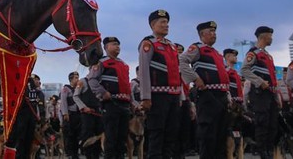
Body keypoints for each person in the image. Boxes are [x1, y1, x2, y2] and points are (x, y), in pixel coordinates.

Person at [180, 21, 231, 159]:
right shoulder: (197, 48)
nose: (214, 34)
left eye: (215, 32)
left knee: (221, 136)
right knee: (208, 135)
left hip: (221, 96)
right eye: (211, 32)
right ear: (202, 34)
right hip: (208, 96)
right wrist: (195, 78)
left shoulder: (217, 53)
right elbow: (181, 61)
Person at [138, 9, 183, 159]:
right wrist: (145, 97)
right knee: (157, 133)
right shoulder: (148, 44)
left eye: (167, 22)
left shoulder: (172, 46)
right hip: (157, 96)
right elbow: (144, 71)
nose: (166, 25)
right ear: (153, 25)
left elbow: (177, 72)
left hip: (173, 96)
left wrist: (181, 96)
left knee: (172, 134)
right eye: (162, 22)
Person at [87, 37, 133, 159]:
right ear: (106, 47)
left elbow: (127, 85)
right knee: (111, 138)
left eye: (118, 44)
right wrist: (102, 92)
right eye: (114, 44)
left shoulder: (123, 64)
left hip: (124, 105)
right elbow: (91, 80)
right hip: (111, 104)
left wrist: (133, 102)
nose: (117, 46)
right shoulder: (101, 62)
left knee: (122, 138)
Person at [240, 26, 280, 159]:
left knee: (272, 124)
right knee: (262, 123)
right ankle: (263, 152)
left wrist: (276, 95)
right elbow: (244, 70)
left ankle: (269, 150)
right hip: (259, 93)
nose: (271, 38)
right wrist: (259, 81)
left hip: (270, 94)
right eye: (270, 36)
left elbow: (273, 77)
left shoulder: (268, 56)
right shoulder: (253, 53)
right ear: (263, 37)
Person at [74, 70, 104, 159]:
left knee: (99, 133)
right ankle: (87, 155)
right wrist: (83, 107)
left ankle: (97, 154)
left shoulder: (100, 82)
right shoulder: (83, 81)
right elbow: (75, 96)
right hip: (87, 112)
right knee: (88, 133)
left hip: (98, 112)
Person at [60, 71, 81, 159]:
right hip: (70, 115)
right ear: (71, 79)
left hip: (78, 115)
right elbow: (63, 101)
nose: (78, 79)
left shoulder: (79, 88)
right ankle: (69, 154)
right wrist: (65, 113)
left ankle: (75, 154)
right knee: (69, 135)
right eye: (76, 78)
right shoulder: (66, 89)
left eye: (78, 77)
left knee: (77, 135)